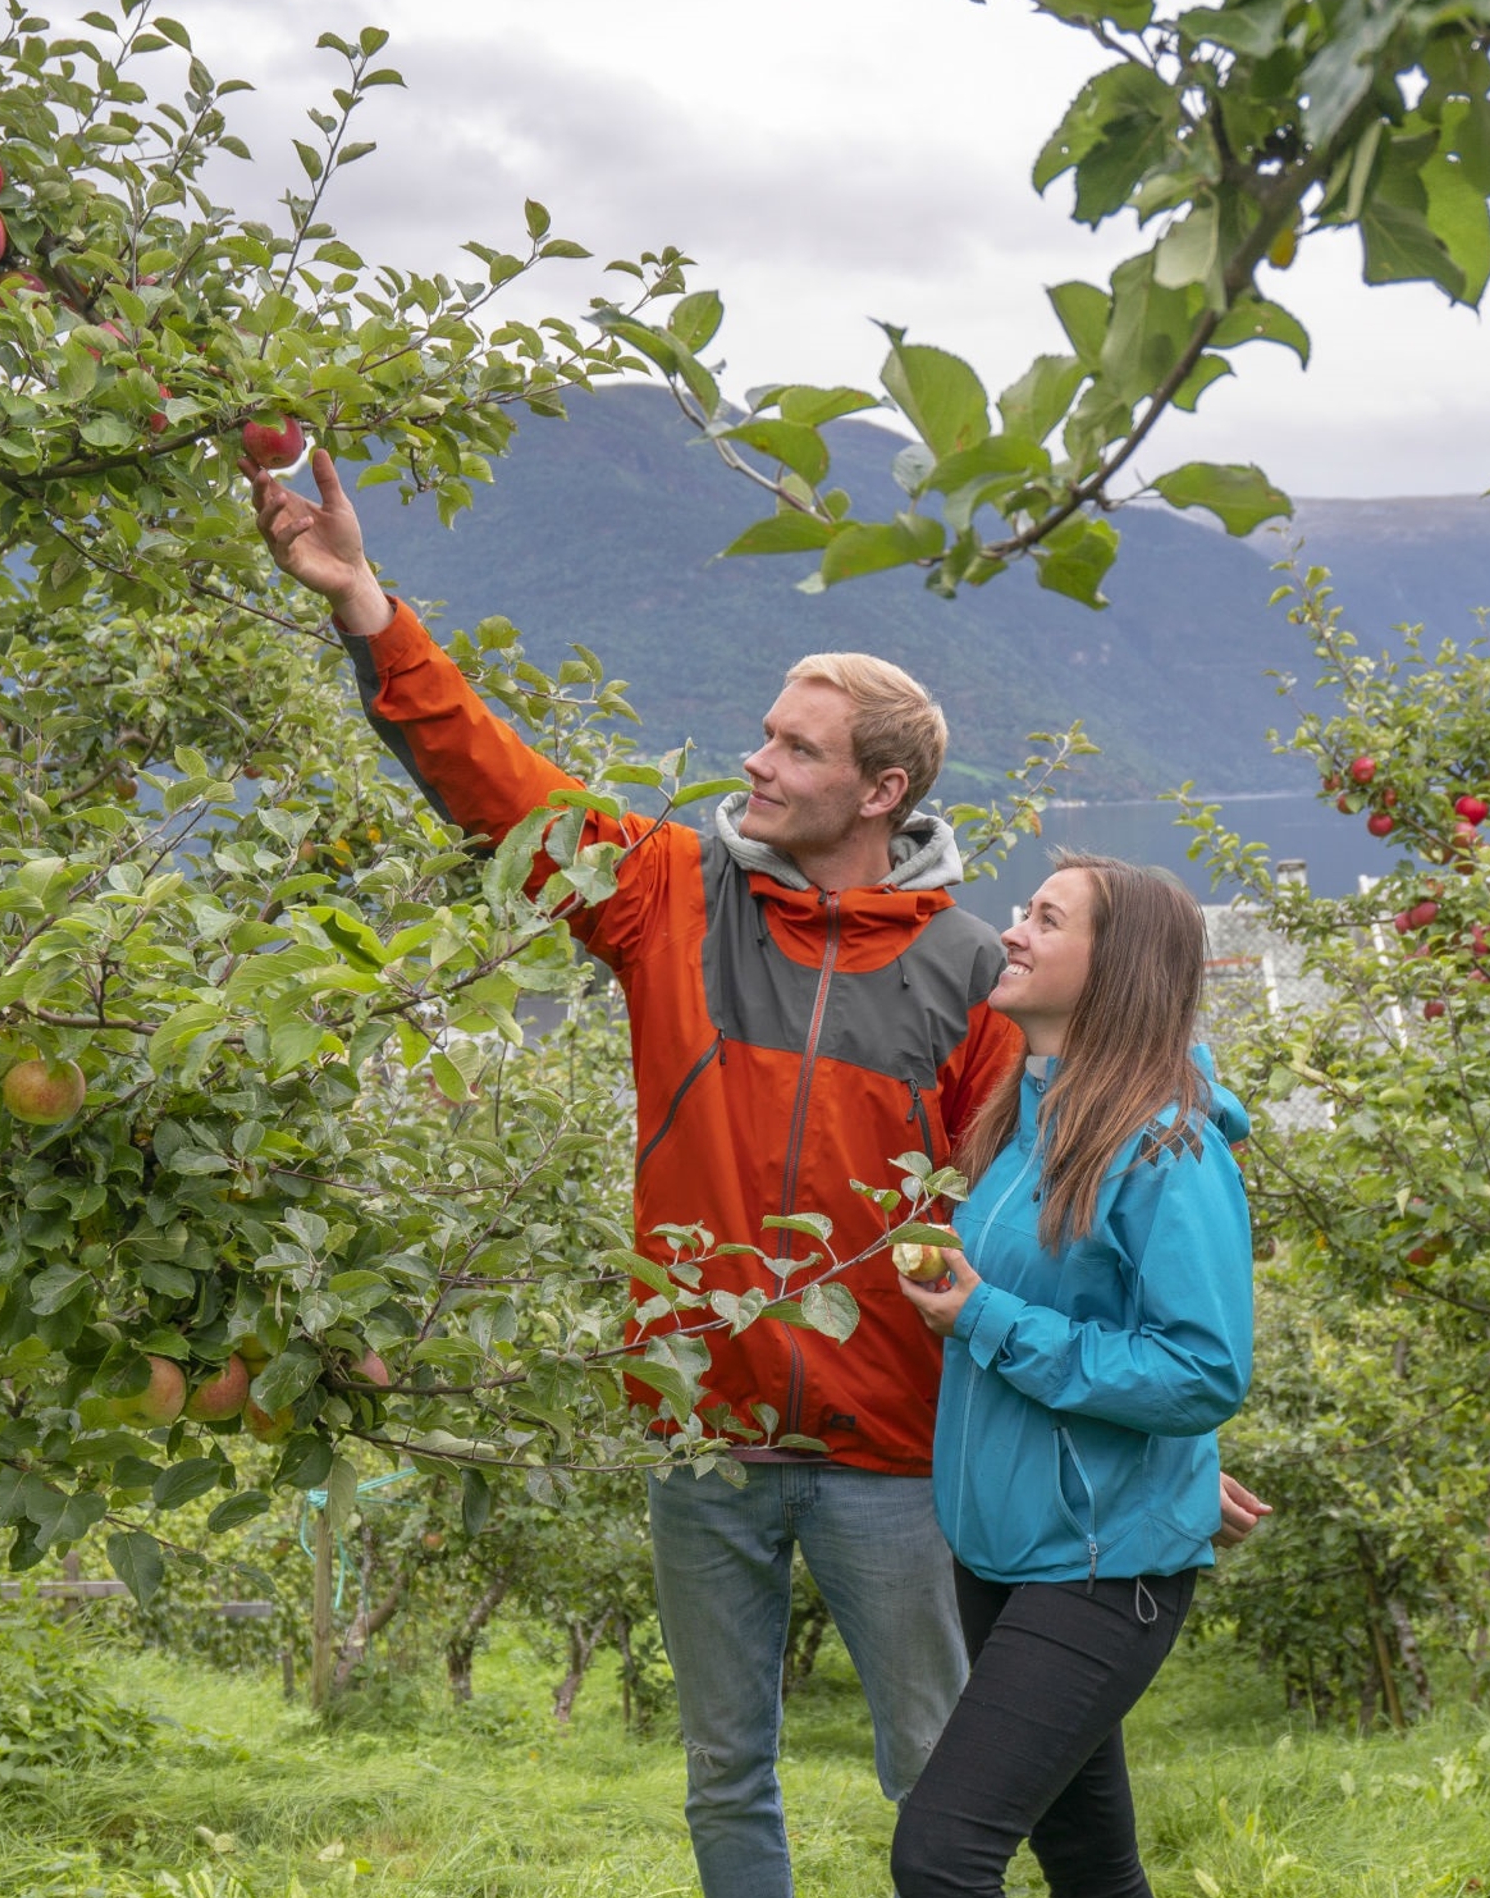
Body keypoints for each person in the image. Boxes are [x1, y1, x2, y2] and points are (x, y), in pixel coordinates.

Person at [245, 442, 1015, 1898]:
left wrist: (1146, 1432)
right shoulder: (669, 894)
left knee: (936, 1764)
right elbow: (496, 784)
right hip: (705, 1434)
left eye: (795, 748)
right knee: (727, 1776)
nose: (757, 761)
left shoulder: (973, 974)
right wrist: (361, 599)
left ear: (882, 788)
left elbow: (1019, 1221)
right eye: (766, 733)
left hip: (896, 1456)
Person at [892, 853, 1255, 1898]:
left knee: (940, 1855)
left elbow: (1200, 1368)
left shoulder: (1169, 1149)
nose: (1012, 932)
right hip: (999, 1543)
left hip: (1101, 1564)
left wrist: (987, 1317)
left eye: (1046, 920)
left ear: (1116, 966)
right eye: (1022, 912)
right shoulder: (1023, 1123)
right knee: (1091, 1867)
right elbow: (1084, 1326)